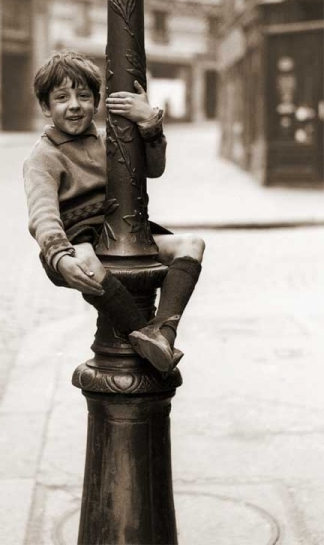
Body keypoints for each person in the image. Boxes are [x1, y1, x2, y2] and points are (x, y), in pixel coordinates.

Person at [23, 51, 205, 374]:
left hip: (121, 231)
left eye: (83, 96)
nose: (74, 105)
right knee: (86, 257)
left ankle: (163, 332)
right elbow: (43, 216)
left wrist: (149, 122)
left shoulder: (111, 141)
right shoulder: (43, 157)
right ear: (45, 107)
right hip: (76, 243)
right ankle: (144, 332)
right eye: (62, 98)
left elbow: (155, 168)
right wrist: (60, 256)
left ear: (96, 101)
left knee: (192, 244)